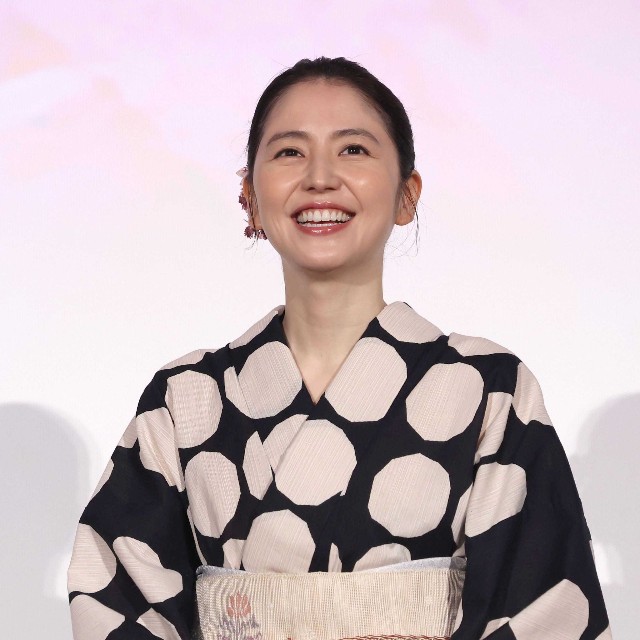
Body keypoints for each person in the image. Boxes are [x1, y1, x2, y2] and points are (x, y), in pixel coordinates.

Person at [67, 56, 611, 640]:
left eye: (353, 149)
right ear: (250, 195)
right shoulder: (186, 398)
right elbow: (119, 600)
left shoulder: (489, 388)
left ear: (407, 194)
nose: (320, 177)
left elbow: (545, 607)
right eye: (289, 152)